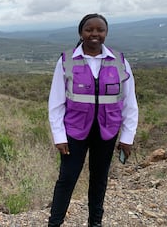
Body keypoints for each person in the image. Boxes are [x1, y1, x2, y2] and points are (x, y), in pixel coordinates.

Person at [47, 13, 139, 227]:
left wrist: (127, 137)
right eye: (89, 30)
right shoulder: (66, 60)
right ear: (81, 32)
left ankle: (95, 223)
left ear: (106, 33)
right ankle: (54, 223)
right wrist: (59, 136)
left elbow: (129, 102)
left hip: (107, 131)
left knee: (99, 180)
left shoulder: (119, 61)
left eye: (100, 30)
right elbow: (56, 103)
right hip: (74, 132)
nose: (94, 34)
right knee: (67, 179)